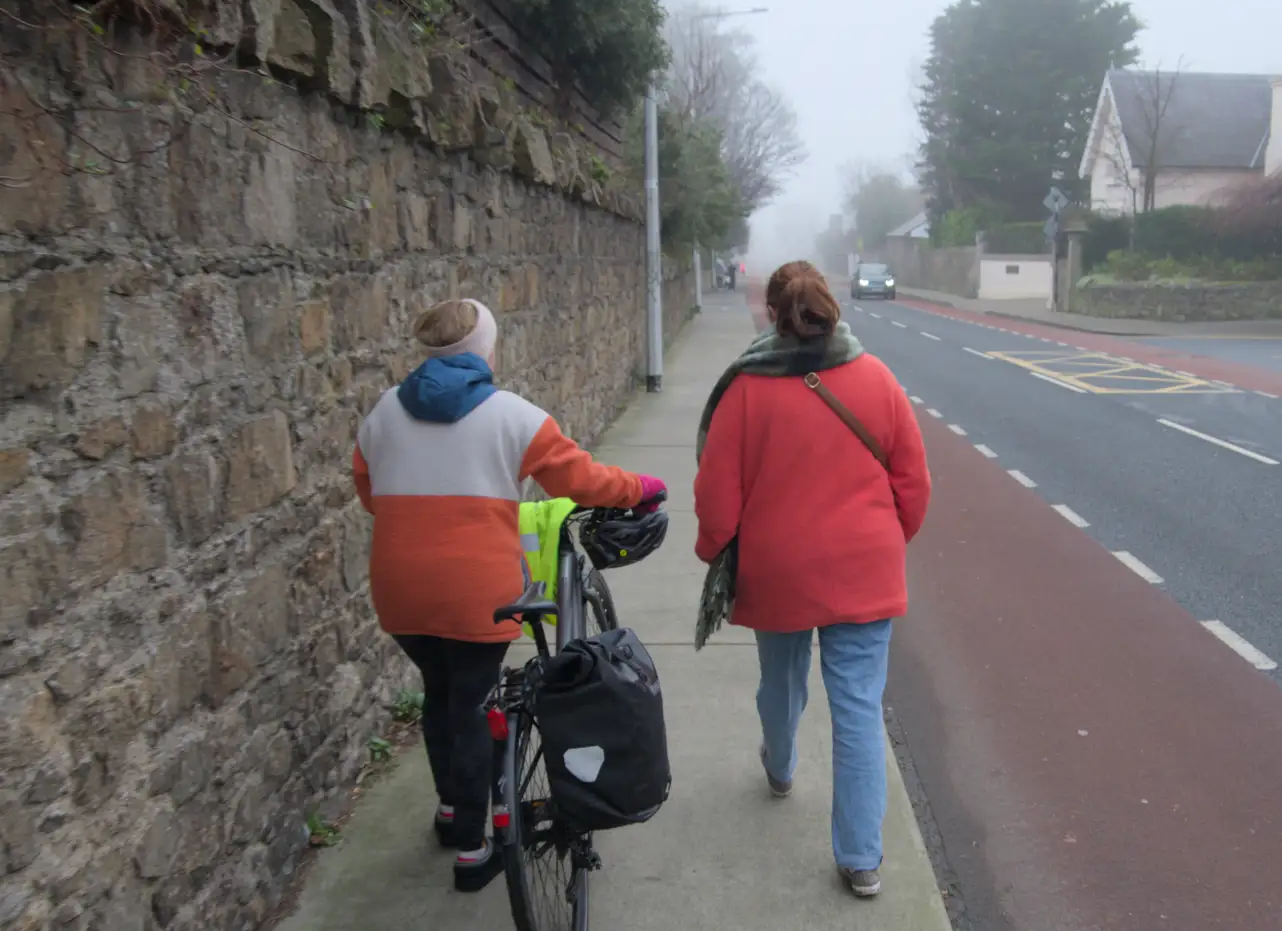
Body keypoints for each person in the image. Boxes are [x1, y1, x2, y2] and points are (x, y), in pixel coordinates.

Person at [353, 298, 665, 891]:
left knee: (440, 693)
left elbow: (368, 488)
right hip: (477, 591)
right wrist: (638, 488)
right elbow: (582, 481)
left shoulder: (383, 413)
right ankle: (473, 848)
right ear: (485, 352)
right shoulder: (513, 416)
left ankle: (451, 810)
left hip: (400, 589)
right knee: (473, 703)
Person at [692, 261, 931, 898]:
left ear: (773, 314)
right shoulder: (877, 379)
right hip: (864, 566)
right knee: (857, 708)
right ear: (832, 307)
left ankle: (781, 766)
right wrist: (881, 541)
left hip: (779, 569)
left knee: (781, 678)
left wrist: (712, 548)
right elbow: (913, 483)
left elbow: (718, 496)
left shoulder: (744, 389)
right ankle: (861, 858)